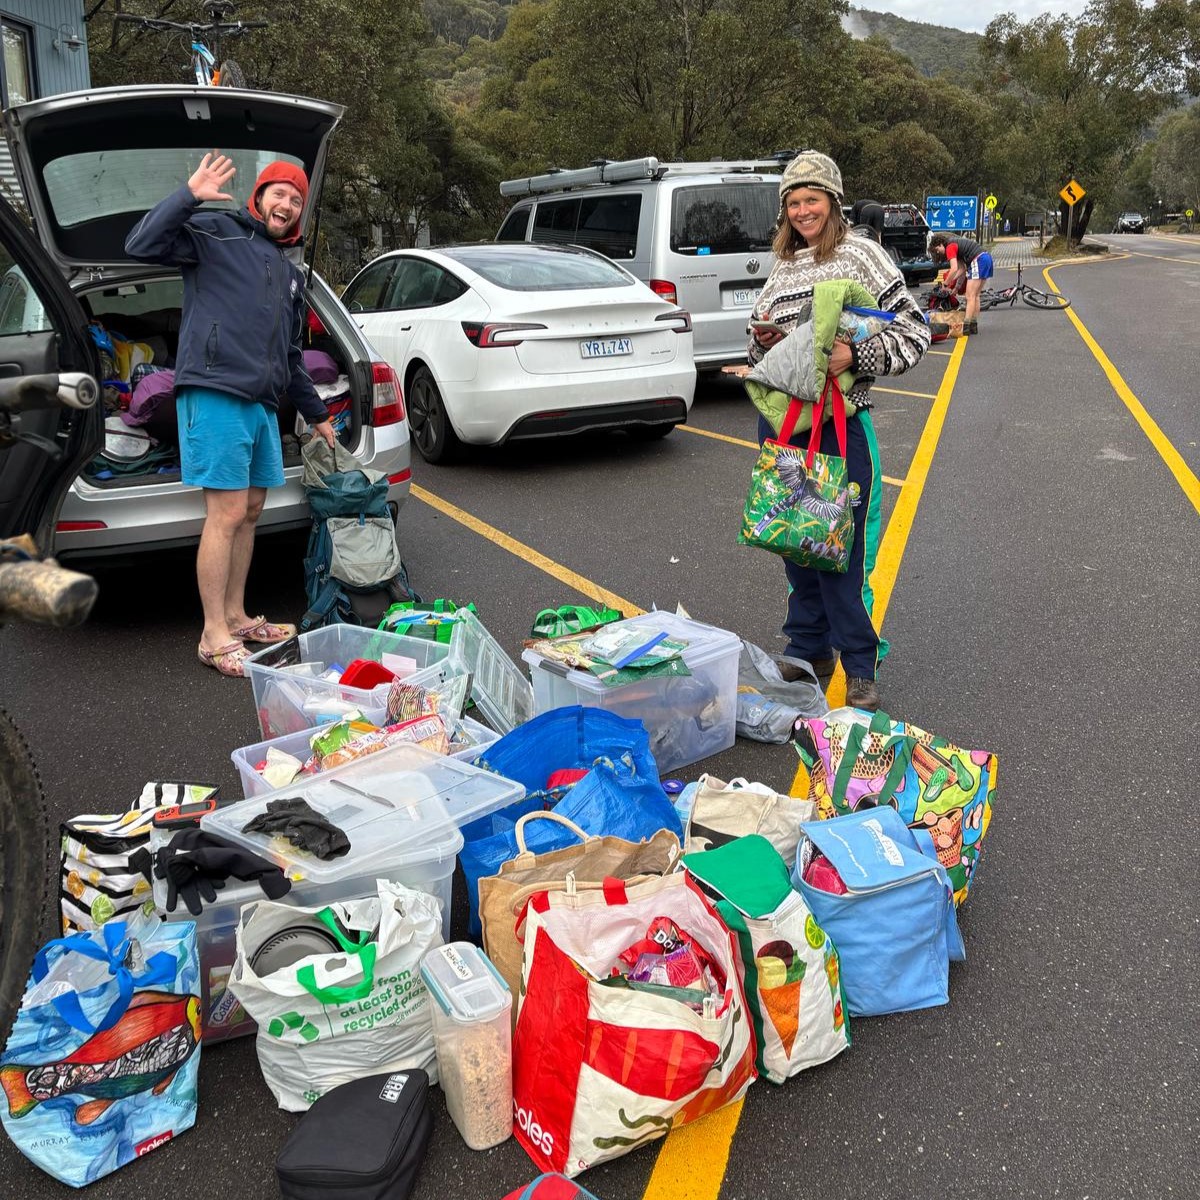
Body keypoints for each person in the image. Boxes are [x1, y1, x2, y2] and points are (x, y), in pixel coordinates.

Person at [126, 153, 335, 678]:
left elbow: (290, 356)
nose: (286, 204)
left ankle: (238, 617)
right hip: (215, 391)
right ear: (258, 197)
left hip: (262, 405)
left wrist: (318, 413)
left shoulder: (288, 273)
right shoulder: (215, 231)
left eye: (295, 199)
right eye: (278, 193)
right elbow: (141, 244)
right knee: (224, 513)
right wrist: (189, 194)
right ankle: (212, 634)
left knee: (252, 510)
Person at [748, 151, 930, 713]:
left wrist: (856, 352)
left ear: (833, 202)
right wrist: (768, 345)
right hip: (783, 424)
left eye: (813, 200)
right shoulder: (783, 266)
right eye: (794, 202)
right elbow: (755, 342)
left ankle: (858, 664)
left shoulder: (862, 257)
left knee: (841, 550)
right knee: (795, 541)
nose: (803, 211)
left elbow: (914, 330)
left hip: (839, 423)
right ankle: (808, 651)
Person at [928, 232, 993, 336]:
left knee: (969, 296)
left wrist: (945, 284)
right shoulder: (956, 246)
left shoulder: (949, 246)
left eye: (937, 250)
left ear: (940, 244)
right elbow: (962, 270)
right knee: (975, 295)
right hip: (986, 258)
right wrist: (957, 288)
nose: (938, 253)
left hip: (978, 260)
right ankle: (973, 325)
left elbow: (953, 269)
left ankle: (966, 327)